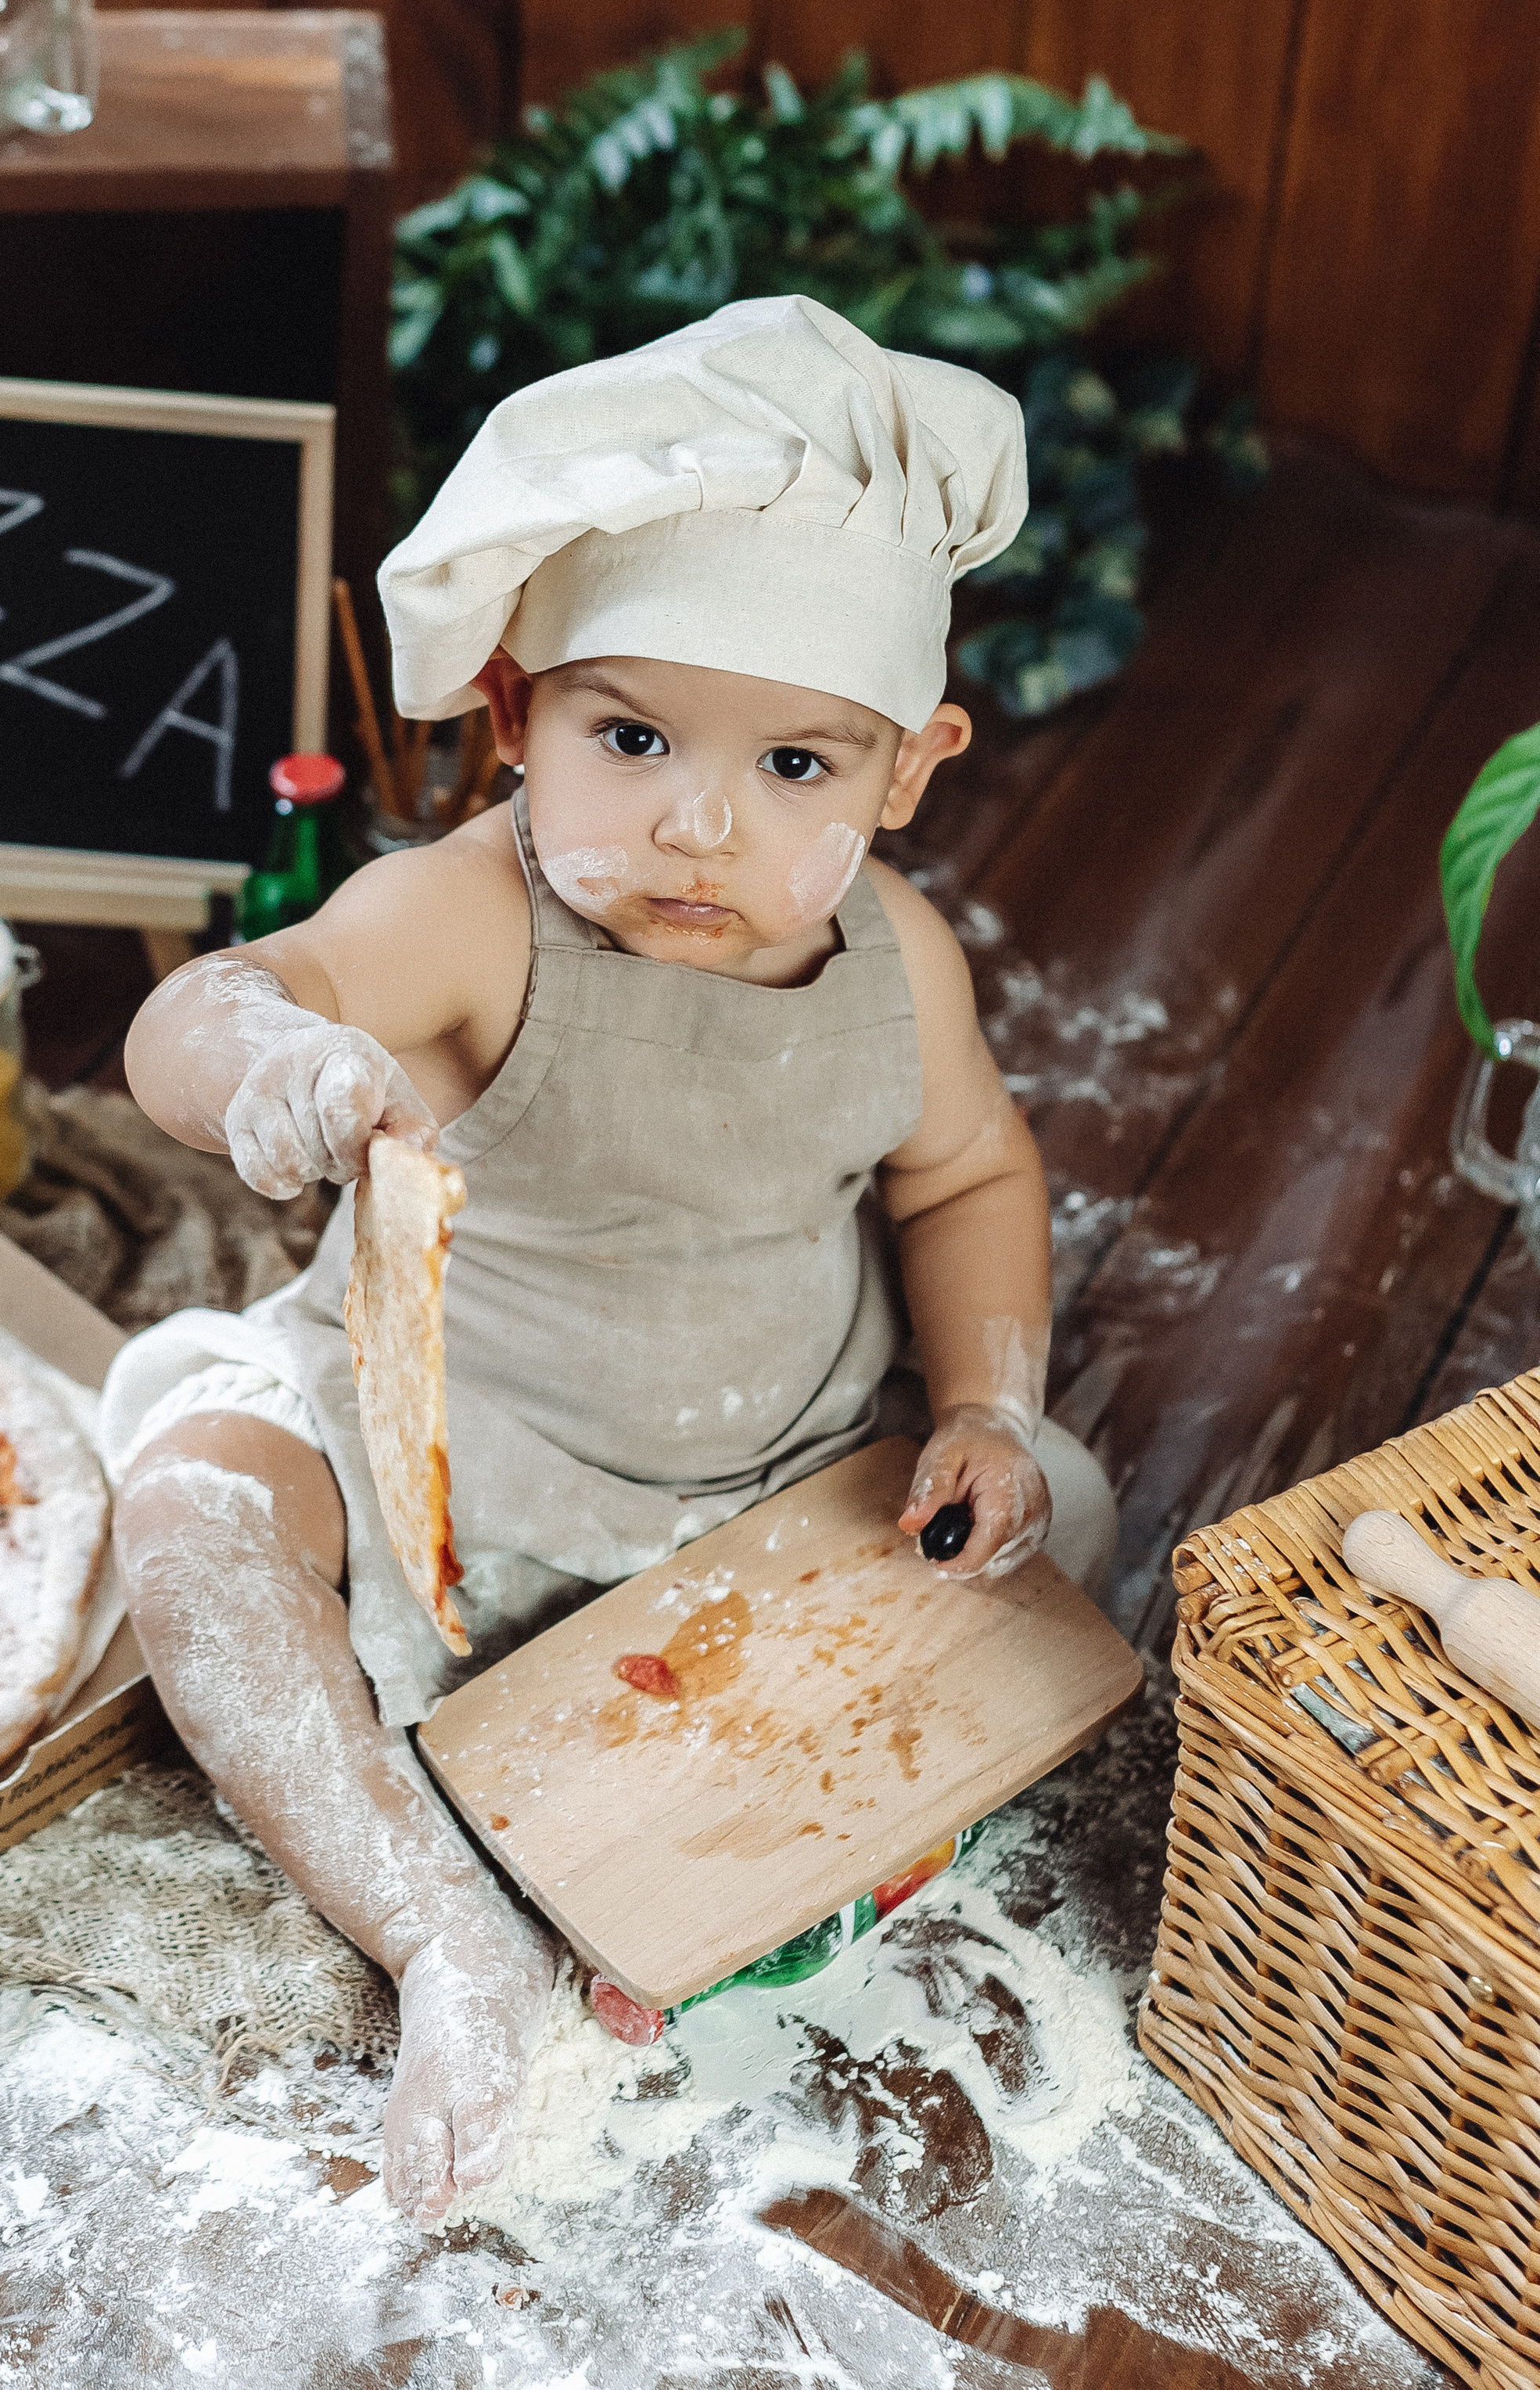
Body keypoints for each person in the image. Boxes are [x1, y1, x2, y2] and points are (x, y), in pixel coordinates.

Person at [109, 292, 1118, 2223]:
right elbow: (209, 1004)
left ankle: (693, 1878)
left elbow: (967, 1176)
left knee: (1041, 1518)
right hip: (446, 1458)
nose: (697, 824)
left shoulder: (899, 962)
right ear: (513, 718)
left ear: (909, 773)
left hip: (771, 1489)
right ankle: (440, 1923)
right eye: (631, 736)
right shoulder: (467, 920)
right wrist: (280, 1065)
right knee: (193, 1515)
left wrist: (984, 1403)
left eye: (798, 768)